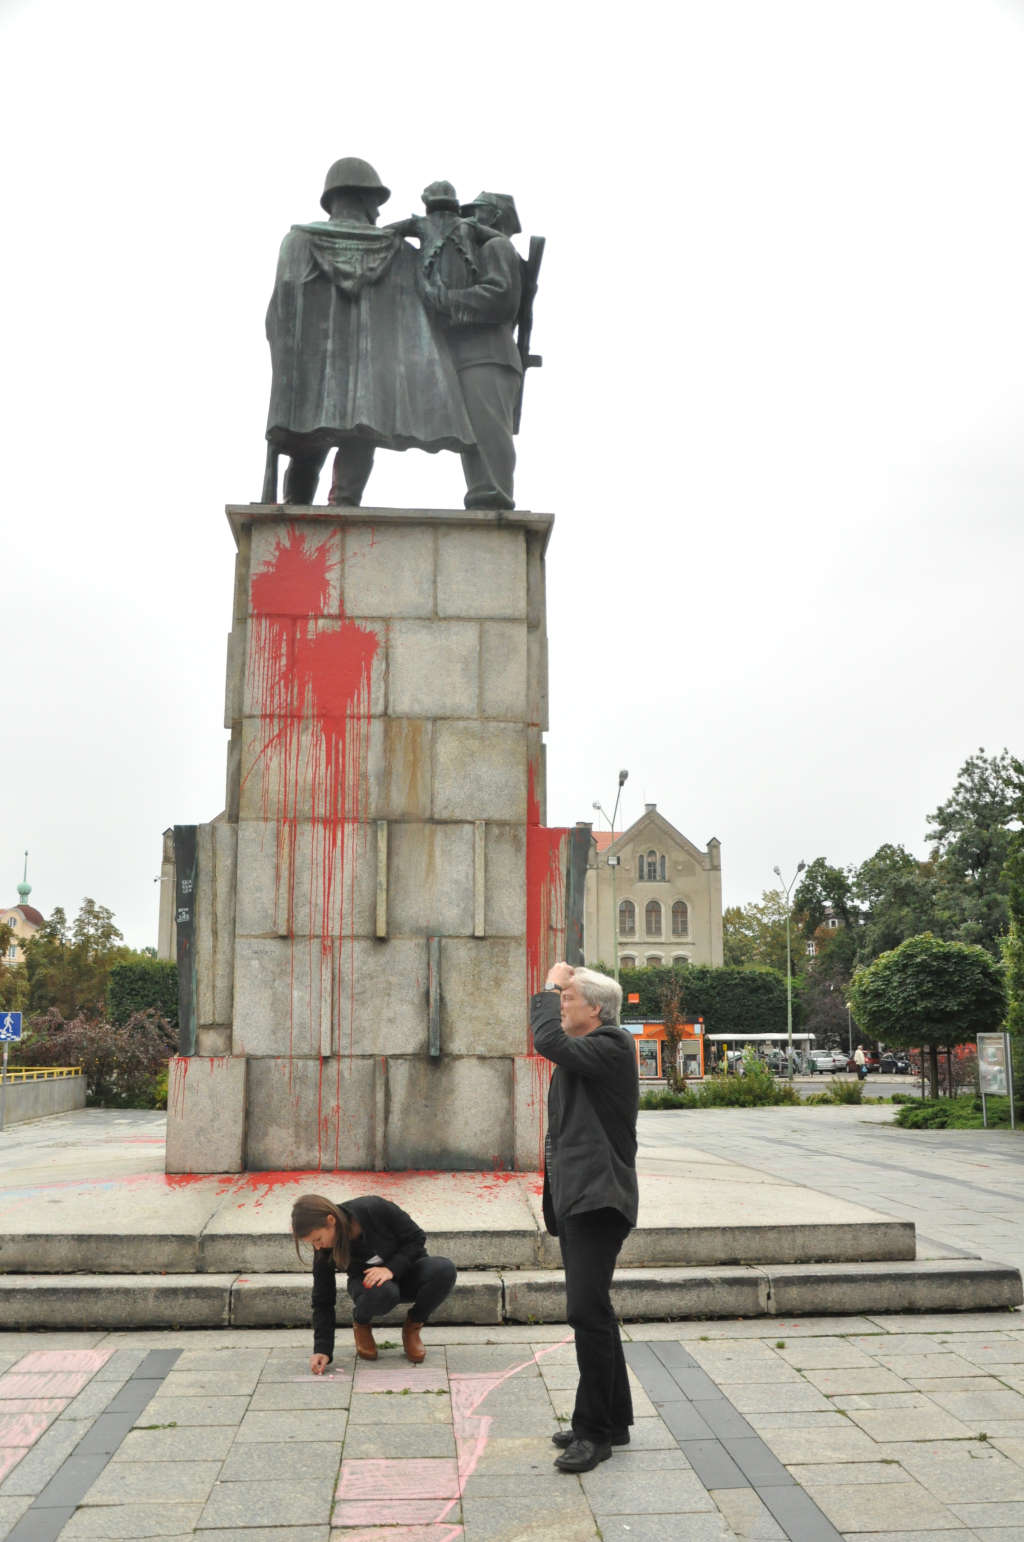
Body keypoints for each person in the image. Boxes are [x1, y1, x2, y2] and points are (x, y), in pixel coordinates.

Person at [265, 157, 474, 506]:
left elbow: (281, 314)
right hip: (368, 374)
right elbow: (435, 301)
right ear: (364, 200)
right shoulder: (395, 251)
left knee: (307, 436)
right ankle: (344, 504)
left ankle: (294, 507)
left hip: (315, 370)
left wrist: (287, 370)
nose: (379, 214)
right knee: (361, 432)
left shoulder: (298, 242)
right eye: (375, 204)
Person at [531, 963, 639, 1474]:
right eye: (560, 996)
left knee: (585, 1313)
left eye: (568, 997)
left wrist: (548, 985)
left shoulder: (613, 1043)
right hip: (580, 1199)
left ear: (595, 1008)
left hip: (600, 1200)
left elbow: (547, 1040)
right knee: (594, 1311)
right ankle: (612, 1419)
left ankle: (594, 1434)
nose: (562, 1003)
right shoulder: (585, 1055)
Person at [420, 191, 524, 511]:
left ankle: (493, 494)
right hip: (470, 355)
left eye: (474, 213)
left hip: (489, 355)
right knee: (474, 435)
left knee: (488, 429)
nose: (466, 220)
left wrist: (446, 299)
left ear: (492, 217)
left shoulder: (496, 246)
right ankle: (483, 492)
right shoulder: (477, 249)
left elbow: (500, 296)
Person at [291, 1193, 457, 1367]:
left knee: (444, 1269)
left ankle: (413, 1326)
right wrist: (322, 1349)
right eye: (312, 1243)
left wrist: (390, 1269)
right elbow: (322, 1298)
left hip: (407, 1271)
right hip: (370, 1288)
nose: (317, 1247)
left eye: (318, 1239)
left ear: (331, 1220)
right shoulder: (324, 1250)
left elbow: (416, 1238)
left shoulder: (374, 1208)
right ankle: (361, 1322)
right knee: (383, 1291)